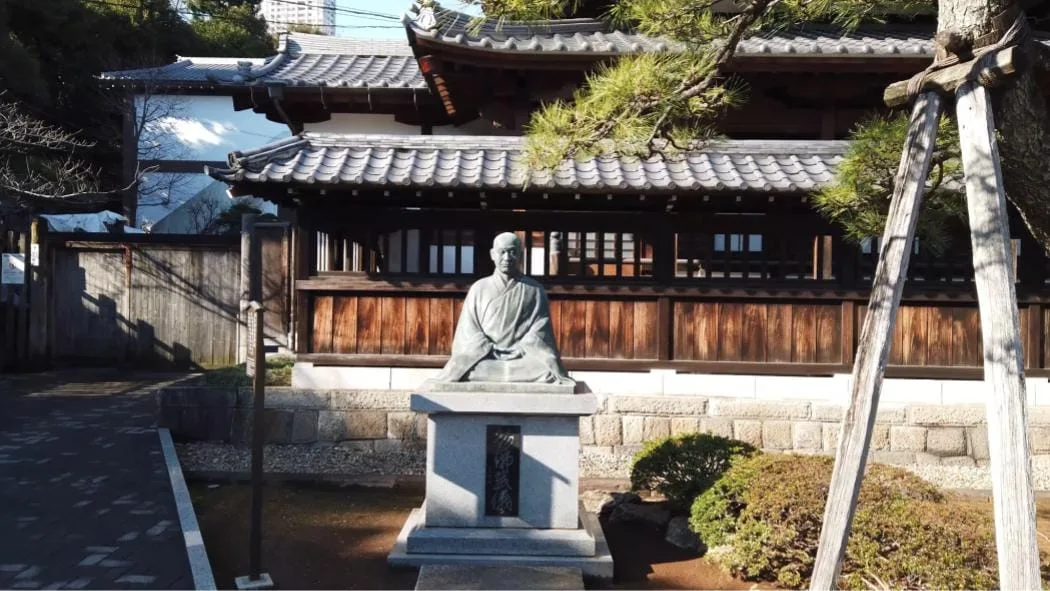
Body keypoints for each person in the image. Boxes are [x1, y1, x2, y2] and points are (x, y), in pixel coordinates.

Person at [434, 232, 574, 385]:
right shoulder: (479, 288)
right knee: (464, 367)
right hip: (486, 356)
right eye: (502, 252)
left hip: (522, 356)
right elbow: (469, 330)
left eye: (512, 252)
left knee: (547, 368)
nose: (507, 258)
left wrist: (520, 349)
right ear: (493, 254)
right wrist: (488, 348)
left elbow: (540, 329)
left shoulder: (535, 290)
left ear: (520, 255)